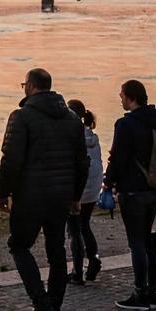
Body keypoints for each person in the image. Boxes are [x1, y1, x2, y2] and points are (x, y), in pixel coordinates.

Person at [0, 69, 88, 311]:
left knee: (19, 245)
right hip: (61, 196)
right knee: (56, 250)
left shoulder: (22, 117)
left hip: (30, 196)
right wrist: (75, 196)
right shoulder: (72, 119)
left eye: (24, 84)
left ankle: (42, 304)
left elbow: (10, 161)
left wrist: (2, 192)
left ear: (31, 87)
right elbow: (82, 161)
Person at [103, 79, 156, 311]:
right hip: (155, 188)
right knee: (148, 241)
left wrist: (107, 184)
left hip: (133, 190)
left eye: (122, 95)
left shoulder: (125, 125)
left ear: (131, 98)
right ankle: (153, 292)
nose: (120, 99)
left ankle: (140, 294)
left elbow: (117, 159)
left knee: (137, 243)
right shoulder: (155, 121)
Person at [65, 99, 103, 285]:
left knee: (73, 230)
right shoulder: (92, 137)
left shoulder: (70, 138)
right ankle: (93, 258)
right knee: (85, 225)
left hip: (77, 188)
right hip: (94, 187)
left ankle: (77, 271)